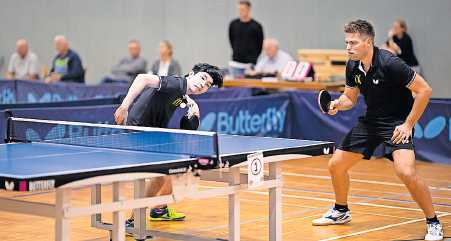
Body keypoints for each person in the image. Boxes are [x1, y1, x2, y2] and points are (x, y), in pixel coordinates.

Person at [312, 19, 443, 241]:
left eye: (353, 43)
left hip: (396, 123)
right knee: (336, 165)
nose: (348, 47)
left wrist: (408, 124)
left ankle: (433, 222)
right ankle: (341, 211)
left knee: (406, 172)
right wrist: (336, 105)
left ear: (368, 42)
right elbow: (350, 98)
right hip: (371, 121)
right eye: (346, 42)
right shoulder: (353, 64)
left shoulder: (390, 63)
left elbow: (424, 90)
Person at [114, 63, 223, 224]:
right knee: (164, 173)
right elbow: (142, 78)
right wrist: (124, 106)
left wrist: (192, 104)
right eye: (203, 78)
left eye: (208, 85)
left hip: (155, 133)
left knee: (177, 166)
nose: (203, 85)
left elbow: (179, 97)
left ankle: (160, 208)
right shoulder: (176, 83)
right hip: (140, 132)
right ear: (191, 73)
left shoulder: (181, 90)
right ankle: (135, 219)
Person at [228, 0, 264, 66]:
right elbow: (231, 40)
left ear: (248, 9)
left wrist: (254, 57)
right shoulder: (233, 24)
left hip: (250, 61)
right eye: (239, 9)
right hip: (236, 60)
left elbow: (260, 44)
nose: (241, 12)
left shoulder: (256, 26)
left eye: (243, 9)